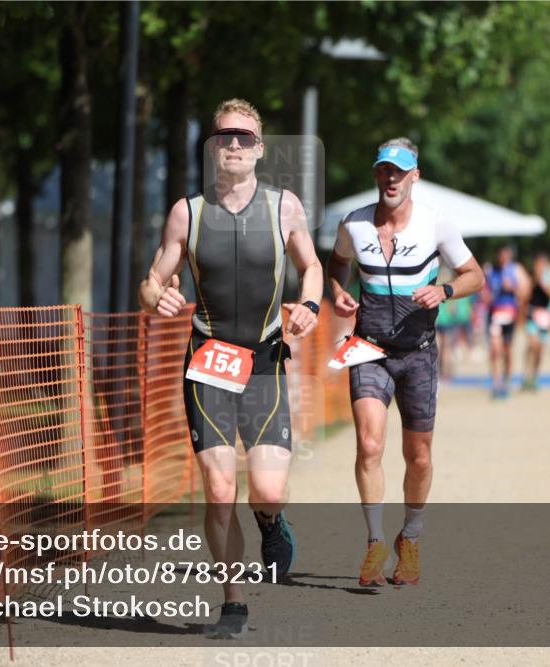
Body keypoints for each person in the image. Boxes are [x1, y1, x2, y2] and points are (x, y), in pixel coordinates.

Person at [139, 99, 323, 637]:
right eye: (225, 137)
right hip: (209, 359)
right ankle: (233, 603)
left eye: (245, 137)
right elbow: (153, 280)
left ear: (260, 148)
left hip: (265, 359)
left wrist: (310, 305)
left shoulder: (284, 207)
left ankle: (270, 522)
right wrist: (157, 298)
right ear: (213, 146)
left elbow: (310, 266)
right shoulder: (187, 213)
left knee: (266, 489)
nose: (235, 145)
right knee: (220, 490)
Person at [327, 138, 485, 588]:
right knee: (370, 446)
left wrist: (446, 290)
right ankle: (376, 542)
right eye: (383, 170)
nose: (390, 179)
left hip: (418, 354)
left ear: (415, 175)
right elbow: (337, 263)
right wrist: (338, 291)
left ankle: (409, 538)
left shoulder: (436, 225)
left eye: (399, 171)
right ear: (376, 174)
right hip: (369, 348)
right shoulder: (354, 225)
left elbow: (475, 274)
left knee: (418, 457)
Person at [486, 245, 530, 399]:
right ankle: (496, 383)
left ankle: (507, 379)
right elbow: (485, 294)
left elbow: (525, 294)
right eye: (499, 254)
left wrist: (512, 287)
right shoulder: (492, 271)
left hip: (510, 314)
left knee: (507, 350)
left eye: (504, 254)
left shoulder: (516, 270)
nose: (502, 257)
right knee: (495, 349)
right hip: (495, 315)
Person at [522, 252, 550, 391]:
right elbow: (525, 295)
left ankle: (534, 376)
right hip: (532, 312)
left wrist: (542, 282)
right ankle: (526, 375)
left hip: (545, 315)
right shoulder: (531, 274)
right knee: (532, 344)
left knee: (540, 348)